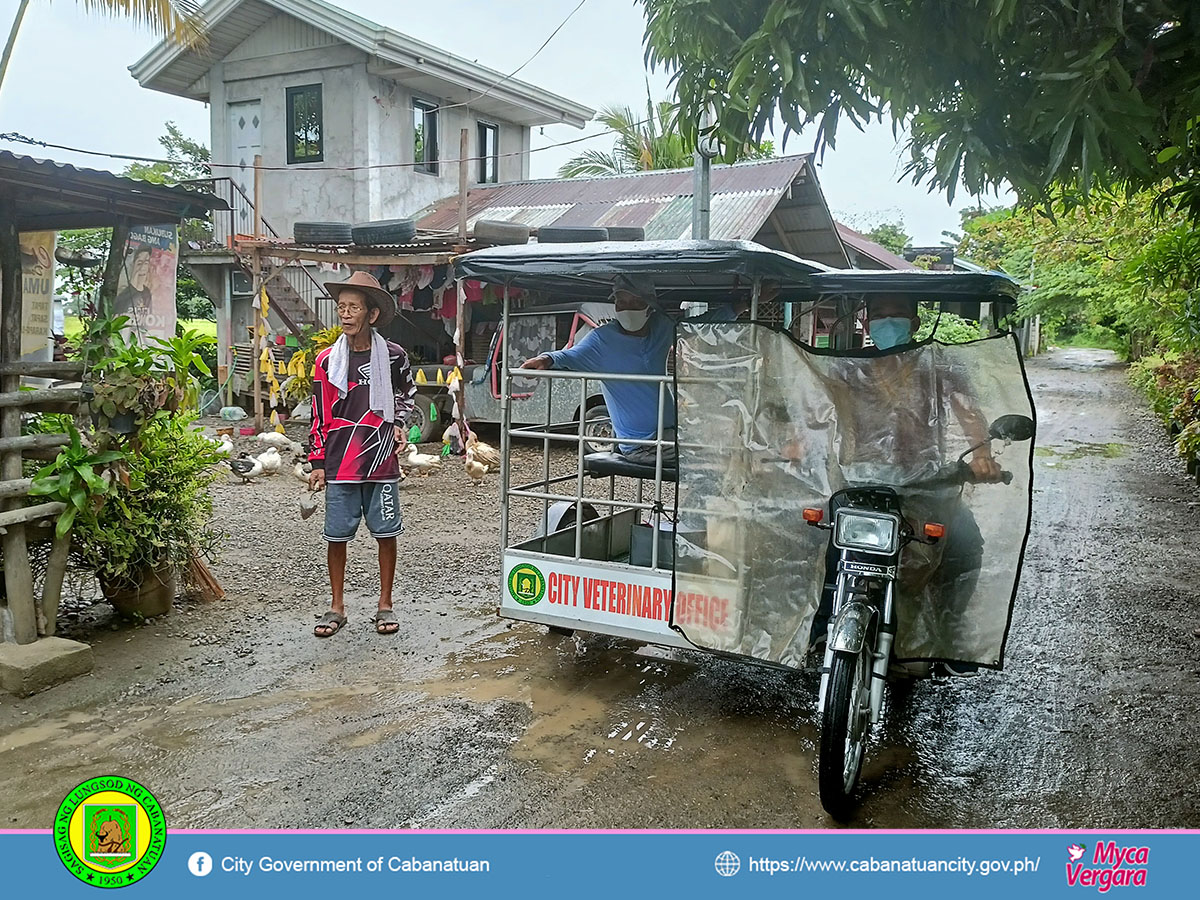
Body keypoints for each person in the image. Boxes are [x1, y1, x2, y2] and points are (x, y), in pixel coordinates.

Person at [814, 294, 1002, 675]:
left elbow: (967, 409)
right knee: (818, 541)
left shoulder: (938, 363)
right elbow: (814, 406)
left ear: (914, 321)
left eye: (896, 313)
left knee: (965, 545)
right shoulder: (848, 365)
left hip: (925, 482)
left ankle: (949, 640)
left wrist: (981, 452)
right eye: (879, 315)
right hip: (857, 480)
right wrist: (798, 439)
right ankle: (816, 629)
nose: (887, 321)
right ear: (866, 325)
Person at [519, 274, 745, 464]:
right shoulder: (602, 339)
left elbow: (699, 326)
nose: (627, 309)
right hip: (641, 445)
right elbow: (568, 356)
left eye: (635, 303)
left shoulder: (661, 327)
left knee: (729, 438)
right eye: (621, 303)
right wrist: (545, 359)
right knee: (718, 454)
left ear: (650, 306)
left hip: (670, 434)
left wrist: (738, 306)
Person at [308, 271, 417, 637]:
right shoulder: (326, 361)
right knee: (336, 536)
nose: (345, 314)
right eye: (341, 307)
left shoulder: (393, 357)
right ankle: (336, 607)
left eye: (354, 307)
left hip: (382, 457)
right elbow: (319, 413)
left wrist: (400, 421)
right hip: (340, 461)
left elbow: (406, 394)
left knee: (386, 532)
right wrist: (318, 462)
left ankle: (385, 603)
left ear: (371, 314)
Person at [114, 247, 153, 324]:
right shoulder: (123, 295)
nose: (143, 268)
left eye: (146, 263)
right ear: (133, 265)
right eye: (139, 263)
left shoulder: (147, 293)